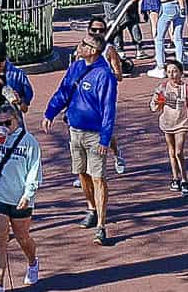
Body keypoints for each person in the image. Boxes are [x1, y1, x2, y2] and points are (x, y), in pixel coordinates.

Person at [41, 33, 119, 246]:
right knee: (81, 173)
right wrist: (50, 113)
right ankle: (91, 208)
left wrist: (105, 138)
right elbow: (63, 91)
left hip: (95, 135)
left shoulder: (105, 75)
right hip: (75, 130)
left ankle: (102, 226)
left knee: (98, 177)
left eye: (85, 44)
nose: (80, 45)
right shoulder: (75, 67)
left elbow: (108, 109)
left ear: (93, 51)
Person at [0, 105, 42, 290]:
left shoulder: (29, 142)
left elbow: (34, 172)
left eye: (8, 122)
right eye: (0, 122)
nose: (4, 125)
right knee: (0, 238)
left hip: (19, 196)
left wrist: (28, 194)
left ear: (17, 120)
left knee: (22, 237)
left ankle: (32, 262)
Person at [150, 56, 188, 191]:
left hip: (182, 123)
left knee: (179, 152)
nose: (172, 75)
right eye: (169, 72)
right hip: (167, 123)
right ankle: (175, 178)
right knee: (171, 152)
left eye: (175, 71)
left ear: (180, 72)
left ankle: (185, 179)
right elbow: (155, 107)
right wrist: (156, 101)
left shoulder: (187, 89)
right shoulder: (162, 87)